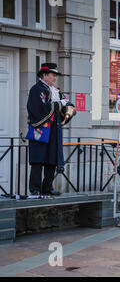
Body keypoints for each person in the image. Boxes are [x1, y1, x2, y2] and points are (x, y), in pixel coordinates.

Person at [27, 63, 74, 196]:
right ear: (44, 75)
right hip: (40, 129)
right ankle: (35, 189)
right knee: (38, 160)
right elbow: (40, 108)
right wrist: (59, 104)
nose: (55, 78)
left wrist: (66, 113)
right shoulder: (37, 89)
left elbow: (68, 104)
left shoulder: (56, 91)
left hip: (54, 130)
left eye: (55, 75)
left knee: (51, 160)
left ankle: (47, 187)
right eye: (53, 75)